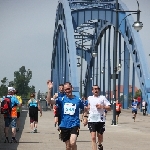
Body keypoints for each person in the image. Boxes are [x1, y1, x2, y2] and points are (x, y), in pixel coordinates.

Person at [47, 80, 87, 150]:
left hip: (74, 124)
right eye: (65, 90)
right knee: (68, 146)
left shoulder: (78, 100)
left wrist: (85, 117)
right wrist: (50, 90)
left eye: (68, 89)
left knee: (72, 142)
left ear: (72, 88)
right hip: (64, 125)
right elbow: (49, 101)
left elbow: (85, 108)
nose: (67, 91)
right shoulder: (61, 99)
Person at [87, 85, 111, 150]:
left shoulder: (102, 98)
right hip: (91, 120)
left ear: (99, 90)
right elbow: (87, 107)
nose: (96, 90)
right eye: (94, 89)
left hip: (100, 120)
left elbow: (109, 108)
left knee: (100, 136)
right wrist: (85, 116)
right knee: (93, 137)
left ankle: (100, 144)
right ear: (92, 91)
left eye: (97, 89)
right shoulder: (89, 98)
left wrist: (102, 106)